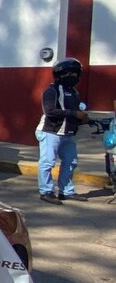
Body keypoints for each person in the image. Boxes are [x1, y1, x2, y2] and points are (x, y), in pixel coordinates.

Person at [35, 58, 90, 205]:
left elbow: (78, 111)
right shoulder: (51, 90)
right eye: (69, 73)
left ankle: (66, 191)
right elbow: (50, 111)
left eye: (75, 73)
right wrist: (74, 114)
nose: (72, 76)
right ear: (60, 74)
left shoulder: (74, 92)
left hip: (68, 134)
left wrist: (84, 118)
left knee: (71, 162)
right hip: (50, 132)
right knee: (47, 163)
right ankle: (46, 191)